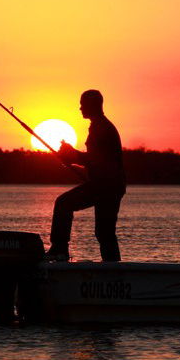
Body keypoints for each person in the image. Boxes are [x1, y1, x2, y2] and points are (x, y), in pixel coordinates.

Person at [47, 89, 127, 262]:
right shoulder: (100, 126)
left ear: (92, 106)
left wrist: (72, 155)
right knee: (105, 233)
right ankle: (114, 268)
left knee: (63, 203)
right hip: (109, 185)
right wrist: (72, 156)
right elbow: (95, 161)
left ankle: (59, 250)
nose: (80, 108)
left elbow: (95, 159)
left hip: (105, 186)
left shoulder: (101, 128)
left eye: (83, 104)